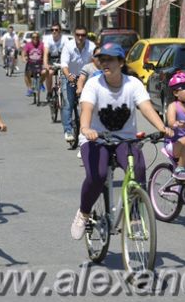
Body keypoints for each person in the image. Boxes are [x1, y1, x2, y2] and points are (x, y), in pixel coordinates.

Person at [70, 43, 173, 240]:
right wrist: (85, 128)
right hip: (96, 139)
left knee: (138, 170)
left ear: (121, 62)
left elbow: (146, 107)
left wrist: (161, 127)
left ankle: (134, 216)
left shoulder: (132, 84)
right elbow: (87, 110)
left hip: (125, 139)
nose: (105, 63)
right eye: (102, 59)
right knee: (97, 175)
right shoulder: (93, 84)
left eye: (110, 59)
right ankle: (83, 213)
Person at [60, 25, 95, 143]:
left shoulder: (92, 47)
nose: (80, 37)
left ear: (86, 36)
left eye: (83, 35)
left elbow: (96, 63)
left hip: (86, 78)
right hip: (70, 75)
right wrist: (68, 76)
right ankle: (68, 131)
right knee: (68, 103)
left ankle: (87, 129)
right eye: (78, 35)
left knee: (88, 104)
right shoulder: (68, 46)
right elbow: (64, 64)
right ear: (74, 35)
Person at [43, 23, 67, 101]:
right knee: (49, 73)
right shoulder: (48, 39)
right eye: (52, 30)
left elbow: (68, 51)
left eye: (56, 30)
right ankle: (49, 92)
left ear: (60, 31)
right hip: (52, 60)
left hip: (62, 59)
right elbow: (46, 53)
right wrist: (46, 64)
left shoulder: (65, 39)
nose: (54, 31)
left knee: (66, 73)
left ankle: (64, 91)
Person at [23, 32, 45, 97]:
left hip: (40, 63)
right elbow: (24, 53)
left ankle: (40, 83)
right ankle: (29, 88)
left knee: (45, 72)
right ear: (31, 38)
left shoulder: (42, 44)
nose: (35, 38)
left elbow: (45, 53)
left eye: (37, 37)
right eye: (33, 37)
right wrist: (24, 58)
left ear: (39, 38)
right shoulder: (28, 45)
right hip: (31, 63)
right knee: (27, 74)